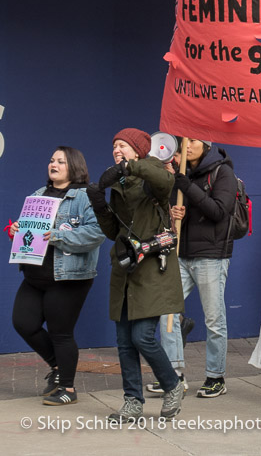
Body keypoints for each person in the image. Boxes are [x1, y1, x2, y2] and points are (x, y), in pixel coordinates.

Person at [86, 128, 185, 422]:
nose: (116, 150)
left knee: (143, 337)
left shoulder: (154, 175)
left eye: (122, 145)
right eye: (114, 145)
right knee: (125, 341)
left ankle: (172, 384)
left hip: (153, 268)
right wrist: (99, 204)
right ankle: (132, 400)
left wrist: (129, 166)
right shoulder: (118, 183)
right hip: (125, 267)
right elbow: (113, 232)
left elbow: (165, 180)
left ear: (139, 150)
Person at [9, 147, 105, 406]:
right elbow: (29, 232)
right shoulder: (38, 195)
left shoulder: (86, 196)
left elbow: (97, 233)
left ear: (74, 166)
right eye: (52, 160)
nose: (54, 164)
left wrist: (59, 236)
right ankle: (58, 367)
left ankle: (68, 388)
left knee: (61, 333)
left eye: (61, 161)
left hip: (68, 278)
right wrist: (17, 229)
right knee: (23, 323)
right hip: (34, 275)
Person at [146, 139, 237, 399]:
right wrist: (173, 212)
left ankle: (216, 377)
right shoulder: (178, 173)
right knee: (168, 313)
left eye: (193, 141)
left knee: (214, 318)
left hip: (211, 255)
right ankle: (174, 375)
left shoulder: (223, 172)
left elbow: (219, 211)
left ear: (206, 145)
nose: (186, 146)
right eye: (182, 140)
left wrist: (186, 186)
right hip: (181, 254)